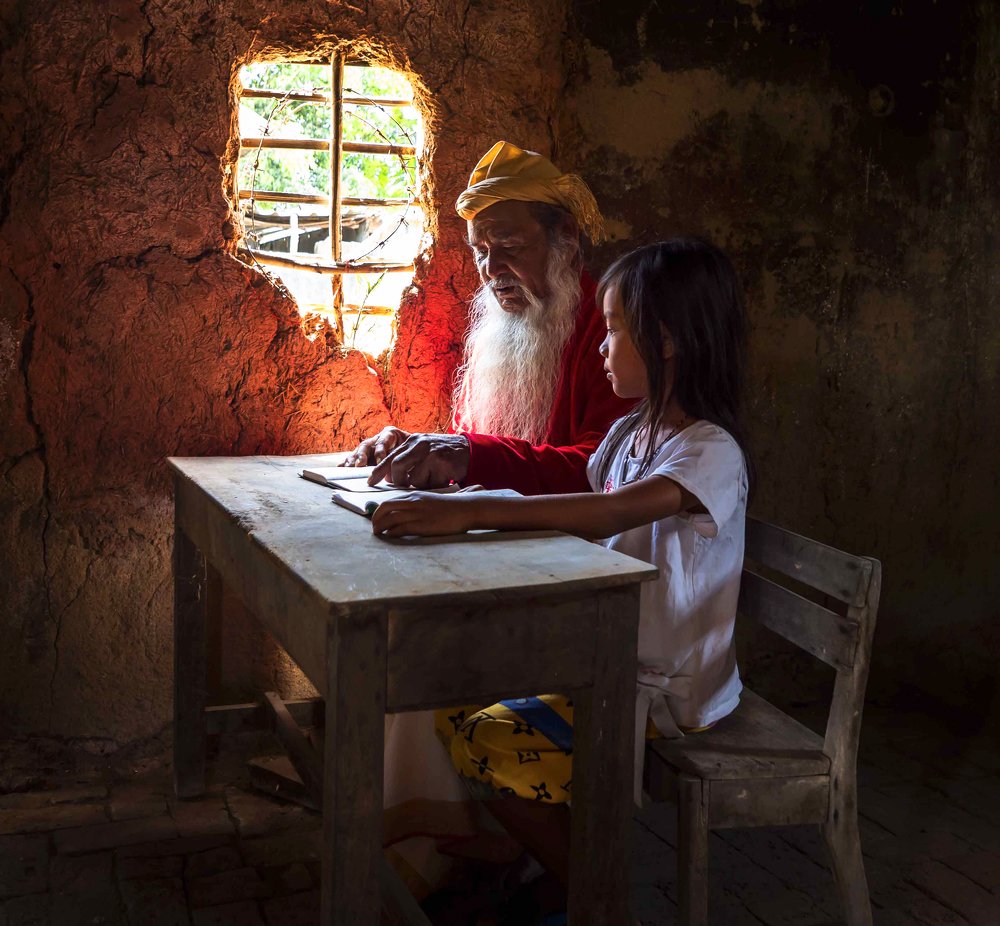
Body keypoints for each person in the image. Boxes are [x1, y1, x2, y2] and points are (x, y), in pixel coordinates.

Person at [372, 238, 754, 923]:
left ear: (666, 341)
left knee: (485, 739)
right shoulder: (630, 435)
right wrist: (461, 495)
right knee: (456, 702)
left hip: (662, 694)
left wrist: (467, 517)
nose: (600, 349)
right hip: (607, 663)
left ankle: (595, 892)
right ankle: (542, 869)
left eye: (613, 331)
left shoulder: (709, 451)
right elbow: (569, 497)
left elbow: (603, 511)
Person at [343, 140, 634, 495]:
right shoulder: (497, 333)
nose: (491, 269)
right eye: (480, 252)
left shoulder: (611, 332)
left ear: (566, 236)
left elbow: (606, 468)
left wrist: (468, 454)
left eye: (509, 247)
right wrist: (415, 447)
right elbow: (475, 448)